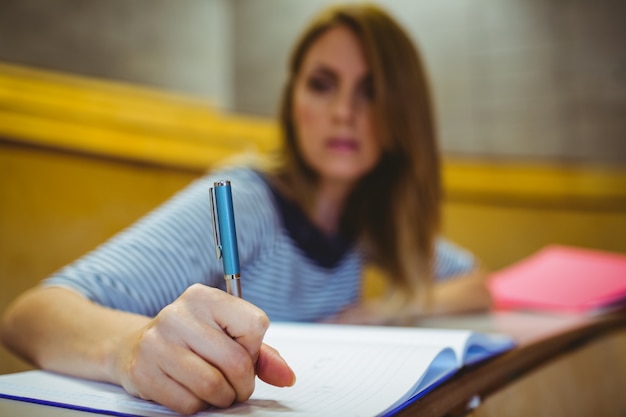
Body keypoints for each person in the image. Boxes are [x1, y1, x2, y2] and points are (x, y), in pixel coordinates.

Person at [0, 3, 491, 415]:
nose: (344, 112)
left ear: (403, 115)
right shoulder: (246, 203)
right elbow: (30, 316)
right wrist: (128, 347)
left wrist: (382, 309)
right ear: (292, 98)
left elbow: (474, 281)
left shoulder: (365, 225)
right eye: (322, 84)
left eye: (370, 91)